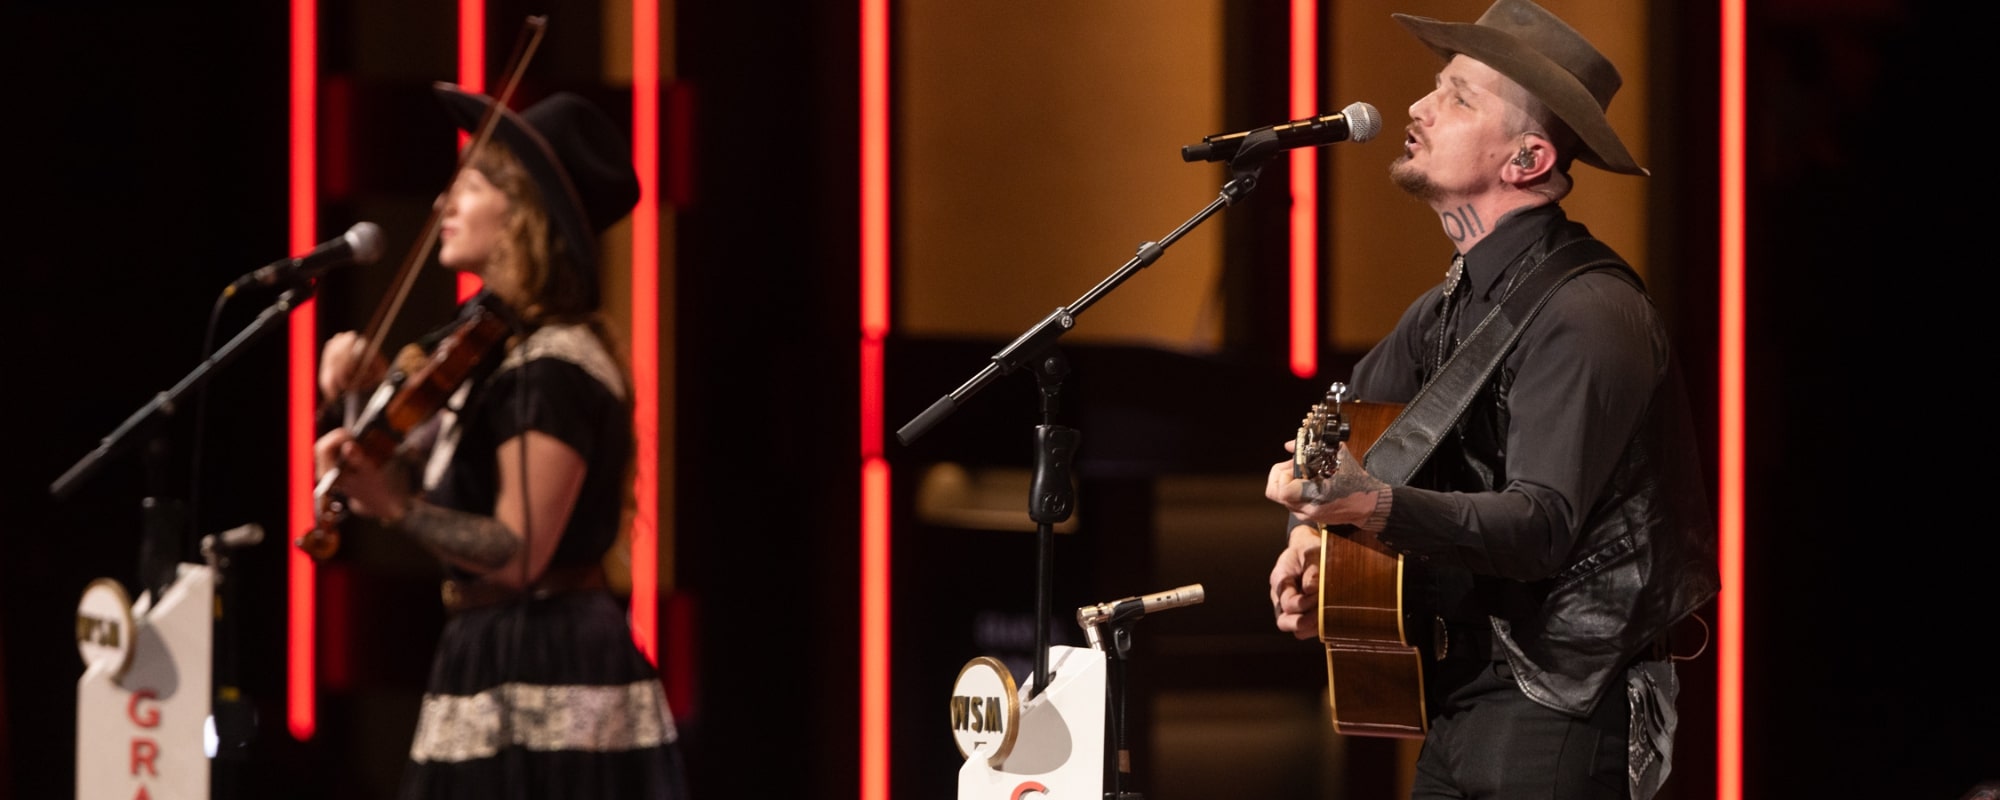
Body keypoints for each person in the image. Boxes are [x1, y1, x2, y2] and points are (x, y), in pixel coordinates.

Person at [1262, 1, 1718, 798]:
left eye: (1460, 97)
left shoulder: (1589, 313)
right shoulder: (1450, 305)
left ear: (1529, 158)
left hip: (1564, 699)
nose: (1417, 107)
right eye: (1437, 87)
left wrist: (1365, 508)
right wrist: (1312, 536)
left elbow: (1539, 527)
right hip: (1461, 696)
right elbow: (1355, 424)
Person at [313, 85, 691, 799]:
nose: (440, 206)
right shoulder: (486, 354)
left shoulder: (556, 366)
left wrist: (392, 507)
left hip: (551, 664)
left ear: (524, 216)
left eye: (470, 187)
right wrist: (358, 397)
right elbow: (395, 460)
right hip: (490, 652)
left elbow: (517, 554)